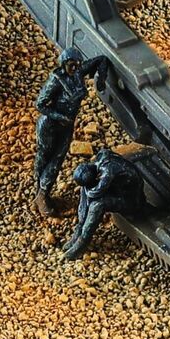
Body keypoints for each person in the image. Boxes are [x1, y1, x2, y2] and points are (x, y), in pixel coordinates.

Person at [33, 47, 109, 214]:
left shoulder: (78, 72)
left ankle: (42, 192)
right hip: (50, 124)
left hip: (67, 125)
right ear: (64, 64)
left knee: (58, 158)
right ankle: (40, 193)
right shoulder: (56, 79)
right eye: (71, 65)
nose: (74, 68)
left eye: (77, 64)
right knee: (45, 158)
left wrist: (101, 80)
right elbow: (40, 104)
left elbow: (101, 59)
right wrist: (60, 117)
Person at [64, 148, 150, 260]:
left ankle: (83, 240)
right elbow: (91, 190)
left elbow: (96, 192)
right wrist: (86, 188)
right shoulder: (101, 157)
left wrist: (88, 189)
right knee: (84, 189)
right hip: (117, 190)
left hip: (132, 201)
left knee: (97, 205)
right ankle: (79, 228)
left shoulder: (107, 171)